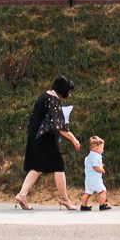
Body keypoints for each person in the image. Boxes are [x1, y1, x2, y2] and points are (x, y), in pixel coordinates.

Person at [14, 75, 80, 210]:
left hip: (34, 136)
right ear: (64, 91)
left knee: (38, 167)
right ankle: (63, 198)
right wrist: (74, 139)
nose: (70, 94)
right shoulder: (53, 101)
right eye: (69, 91)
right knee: (58, 165)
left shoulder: (43, 96)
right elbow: (59, 126)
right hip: (44, 137)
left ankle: (22, 195)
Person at [80, 135, 109, 211]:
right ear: (97, 148)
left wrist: (100, 165)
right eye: (102, 148)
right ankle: (102, 205)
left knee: (88, 193)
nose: (102, 150)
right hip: (95, 179)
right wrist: (101, 169)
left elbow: (89, 165)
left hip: (88, 179)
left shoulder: (88, 157)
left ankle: (83, 206)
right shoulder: (97, 156)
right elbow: (95, 166)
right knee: (103, 191)